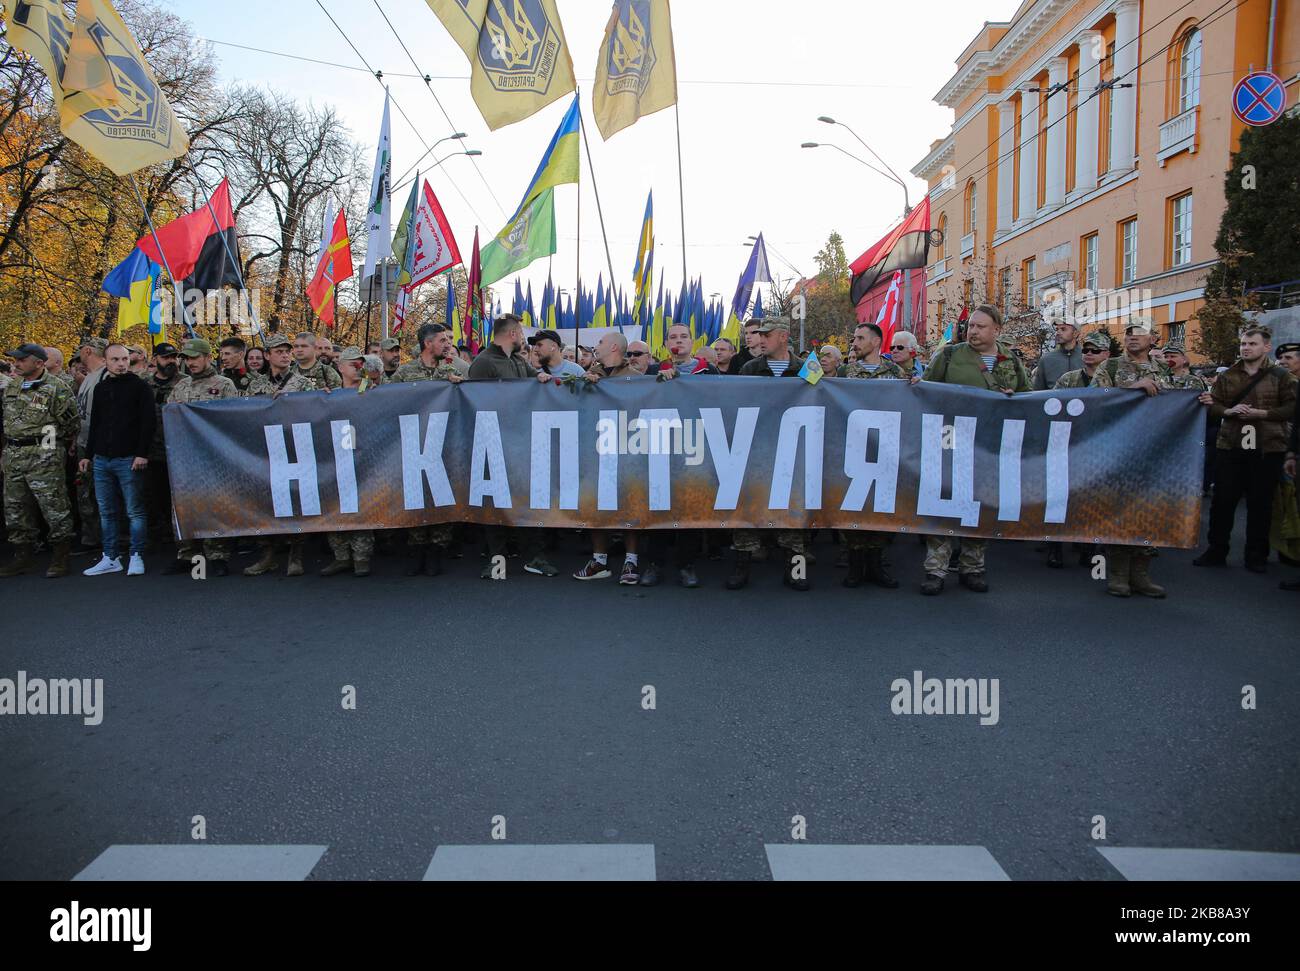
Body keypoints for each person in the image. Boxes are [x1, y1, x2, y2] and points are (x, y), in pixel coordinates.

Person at [918, 304, 1031, 596]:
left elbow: (1029, 398)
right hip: (950, 442)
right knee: (942, 503)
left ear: (997, 330)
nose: (974, 331)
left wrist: (1014, 398)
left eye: (981, 327)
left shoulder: (1010, 361)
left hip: (989, 445)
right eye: (971, 326)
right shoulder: (949, 355)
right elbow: (926, 393)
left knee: (979, 506)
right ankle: (936, 570)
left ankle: (972, 567)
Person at [1193, 326, 1296, 573]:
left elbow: (1292, 409)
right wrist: (1228, 411)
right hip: (1230, 446)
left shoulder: (1281, 376)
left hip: (1267, 448)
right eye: (1243, 344)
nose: (1246, 348)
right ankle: (1217, 550)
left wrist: (1263, 414)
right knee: (1222, 502)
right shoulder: (1228, 375)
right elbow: (1213, 405)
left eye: (1252, 344)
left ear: (1266, 347)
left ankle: (1256, 555)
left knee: (1261, 504)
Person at [1090, 317, 1177, 597]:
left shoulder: (1164, 368)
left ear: (1152, 338)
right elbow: (1094, 399)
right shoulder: (1110, 366)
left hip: (1154, 449)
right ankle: (1118, 573)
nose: (1132, 338)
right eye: (1128, 333)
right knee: (1121, 510)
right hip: (1119, 449)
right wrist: (1132, 388)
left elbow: (1180, 400)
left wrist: (1201, 401)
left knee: (1150, 511)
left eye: (1138, 333)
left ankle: (1141, 574)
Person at [468, 314, 558, 579]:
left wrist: (541, 378)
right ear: (512, 335)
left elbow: (536, 378)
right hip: (493, 442)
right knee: (494, 504)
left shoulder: (518, 361)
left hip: (520, 444)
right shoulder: (483, 363)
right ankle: (497, 560)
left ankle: (535, 557)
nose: (522, 338)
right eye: (520, 332)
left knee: (528, 501)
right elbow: (473, 401)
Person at [732, 318, 812, 590]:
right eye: (758, 334)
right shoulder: (750, 368)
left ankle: (796, 571)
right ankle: (742, 567)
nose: (760, 339)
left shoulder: (805, 368)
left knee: (793, 510)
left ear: (783, 336)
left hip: (794, 450)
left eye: (766, 335)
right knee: (747, 506)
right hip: (758, 448)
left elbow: (822, 399)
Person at [390, 324, 465, 577]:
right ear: (427, 344)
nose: (448, 344)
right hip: (414, 445)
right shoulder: (405, 372)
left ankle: (438, 549)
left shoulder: (451, 370)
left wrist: (457, 386)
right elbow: (388, 403)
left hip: (444, 446)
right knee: (416, 496)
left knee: (442, 495)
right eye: (443, 340)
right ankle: (417, 547)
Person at [0, 344, 80, 578]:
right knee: (14, 508)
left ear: (38, 363)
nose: (16, 363)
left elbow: (70, 425)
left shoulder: (56, 388)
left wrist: (49, 446)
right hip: (14, 454)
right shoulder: (12, 386)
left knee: (53, 507)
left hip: (44, 455)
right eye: (15, 360)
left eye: (22, 360)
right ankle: (22, 557)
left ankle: (60, 557)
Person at [840, 322, 906, 589]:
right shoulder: (846, 372)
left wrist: (915, 385)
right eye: (854, 337)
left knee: (880, 507)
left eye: (860, 338)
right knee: (855, 504)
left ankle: (877, 565)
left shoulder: (895, 372)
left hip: (885, 449)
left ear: (877, 342)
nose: (855, 342)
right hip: (854, 449)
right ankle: (855, 566)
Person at [79, 343, 155, 576]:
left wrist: (142, 453)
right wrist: (88, 455)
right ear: (106, 361)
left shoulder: (140, 387)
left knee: (134, 510)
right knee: (107, 511)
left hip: (129, 459)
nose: (121, 364)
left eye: (124, 359)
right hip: (102, 459)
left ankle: (136, 555)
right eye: (115, 360)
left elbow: (148, 422)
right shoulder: (101, 389)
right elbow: (96, 425)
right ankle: (110, 557)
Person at [164, 340, 238, 576]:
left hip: (212, 455)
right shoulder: (180, 386)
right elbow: (170, 417)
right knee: (183, 505)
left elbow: (232, 418)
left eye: (195, 358)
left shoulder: (224, 385)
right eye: (187, 358)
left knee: (213, 504)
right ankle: (187, 553)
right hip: (184, 456)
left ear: (207, 357)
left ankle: (217, 556)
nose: (190, 362)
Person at [574, 331, 641, 583]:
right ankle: (599, 560)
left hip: (625, 450)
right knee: (595, 504)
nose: (596, 346)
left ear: (613, 347)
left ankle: (631, 561)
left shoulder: (635, 378)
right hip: (594, 451)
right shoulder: (589, 375)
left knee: (629, 505)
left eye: (600, 342)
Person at [319, 347, 383, 577]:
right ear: (340, 367)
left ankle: (361, 557)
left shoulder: (369, 390)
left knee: (361, 506)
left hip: (364, 457)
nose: (358, 368)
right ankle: (341, 556)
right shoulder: (330, 394)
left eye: (361, 364)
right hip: (336, 457)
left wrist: (370, 382)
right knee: (335, 505)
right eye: (353, 364)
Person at [143, 342, 182, 547]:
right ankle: (160, 535)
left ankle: (179, 536)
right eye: (166, 357)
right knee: (154, 496)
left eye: (174, 357)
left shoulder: (185, 382)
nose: (171, 361)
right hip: (151, 451)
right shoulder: (144, 384)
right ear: (154, 359)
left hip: (179, 451)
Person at [73, 337, 108, 552]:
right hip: (84, 442)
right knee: (85, 492)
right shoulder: (88, 378)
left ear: (87, 351)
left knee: (97, 493)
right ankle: (92, 537)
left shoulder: (104, 375)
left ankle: (102, 538)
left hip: (96, 444)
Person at [1031, 317, 1084, 389]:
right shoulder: (1046, 359)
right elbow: (1038, 392)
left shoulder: (1088, 356)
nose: (1058, 333)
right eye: (1057, 329)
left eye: (1063, 329)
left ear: (1075, 333)